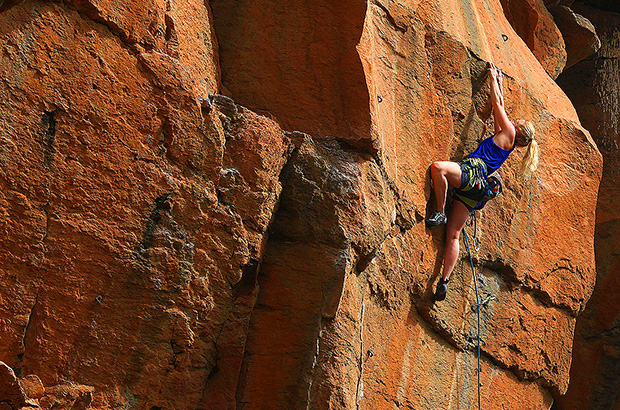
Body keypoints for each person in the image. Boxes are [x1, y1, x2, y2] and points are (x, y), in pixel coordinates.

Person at [426, 62, 539, 301]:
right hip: (477, 189)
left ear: (517, 128)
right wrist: (498, 80)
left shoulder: (508, 133)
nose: (513, 119)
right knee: (453, 236)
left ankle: (439, 211)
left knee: (438, 168)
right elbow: (501, 108)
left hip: (472, 174)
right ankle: (444, 281)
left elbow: (498, 105)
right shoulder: (505, 137)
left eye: (517, 120)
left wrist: (490, 76)